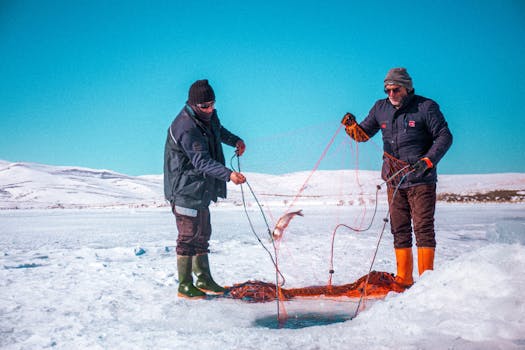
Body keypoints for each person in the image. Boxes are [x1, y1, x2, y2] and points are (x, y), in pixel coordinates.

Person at [341, 68, 453, 287]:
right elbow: (363, 134)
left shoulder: (426, 107)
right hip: (394, 181)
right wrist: (351, 127)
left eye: (395, 89)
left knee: (423, 229)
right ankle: (404, 280)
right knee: (399, 229)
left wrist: (428, 161)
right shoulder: (380, 108)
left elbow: (445, 136)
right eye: (387, 90)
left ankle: (426, 283)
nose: (391, 94)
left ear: (407, 88)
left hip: (421, 180)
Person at [164, 79, 247, 298]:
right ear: (193, 104)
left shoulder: (208, 117)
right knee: (188, 236)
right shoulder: (185, 126)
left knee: (203, 234)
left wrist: (236, 140)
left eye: (212, 104)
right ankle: (184, 285)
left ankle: (203, 279)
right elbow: (201, 161)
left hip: (200, 189)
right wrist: (229, 175)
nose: (209, 109)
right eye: (204, 106)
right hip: (184, 191)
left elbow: (218, 131)